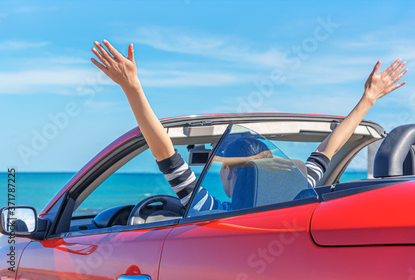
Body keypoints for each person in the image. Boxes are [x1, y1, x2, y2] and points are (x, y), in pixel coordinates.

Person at [91, 39, 407, 212]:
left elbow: (165, 154)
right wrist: (368, 98)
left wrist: (132, 88)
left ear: (230, 174)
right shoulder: (301, 195)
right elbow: (330, 147)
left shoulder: (209, 212)